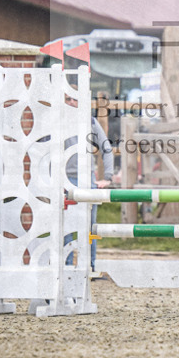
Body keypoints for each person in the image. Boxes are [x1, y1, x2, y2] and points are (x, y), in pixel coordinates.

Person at [65, 112, 115, 273]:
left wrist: (107, 177)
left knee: (89, 227)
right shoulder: (57, 118)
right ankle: (65, 269)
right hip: (65, 179)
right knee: (65, 227)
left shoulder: (90, 121)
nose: (72, 102)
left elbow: (106, 147)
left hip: (88, 179)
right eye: (68, 99)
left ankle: (90, 267)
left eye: (74, 99)